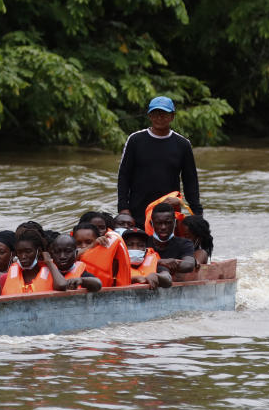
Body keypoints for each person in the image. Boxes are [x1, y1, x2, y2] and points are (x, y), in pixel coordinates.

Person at [117, 96, 202, 231]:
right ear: (149, 116)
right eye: (155, 114)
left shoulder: (182, 144)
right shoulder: (135, 140)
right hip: (137, 211)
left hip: (168, 213)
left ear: (172, 117)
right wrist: (123, 208)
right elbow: (124, 176)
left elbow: (190, 181)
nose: (159, 118)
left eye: (164, 114)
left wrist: (197, 214)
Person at [0, 230, 67, 295]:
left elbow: (61, 285)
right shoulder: (12, 271)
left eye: (28, 251)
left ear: (39, 251)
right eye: (19, 252)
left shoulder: (51, 271)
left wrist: (49, 262)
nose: (23, 256)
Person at [74, 222, 131, 288]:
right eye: (78, 243)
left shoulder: (108, 256)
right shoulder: (65, 257)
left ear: (99, 240)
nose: (83, 246)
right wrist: (91, 246)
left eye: (88, 242)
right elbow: (72, 257)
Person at [148, 203, 196, 279]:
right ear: (151, 224)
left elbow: (189, 265)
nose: (163, 227)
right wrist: (160, 262)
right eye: (159, 223)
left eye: (168, 223)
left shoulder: (185, 243)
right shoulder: (143, 242)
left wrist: (169, 264)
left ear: (175, 223)